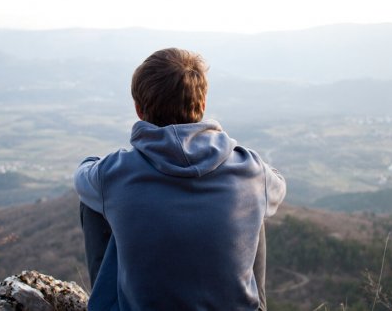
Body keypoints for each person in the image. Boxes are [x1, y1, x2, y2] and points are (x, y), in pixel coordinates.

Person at [74, 48, 286, 310]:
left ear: (139, 110)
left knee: (97, 201)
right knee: (254, 199)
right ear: (203, 104)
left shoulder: (115, 173)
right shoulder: (250, 169)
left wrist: (96, 165)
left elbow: (82, 178)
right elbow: (278, 184)